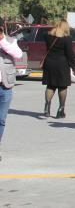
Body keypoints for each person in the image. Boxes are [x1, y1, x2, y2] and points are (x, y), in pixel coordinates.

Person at [42, 19, 75, 119]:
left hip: (49, 63)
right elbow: (70, 54)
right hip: (62, 64)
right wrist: (73, 66)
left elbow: (47, 32)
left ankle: (47, 107)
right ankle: (61, 110)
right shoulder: (67, 39)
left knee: (50, 85)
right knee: (62, 86)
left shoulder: (47, 36)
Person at [0, 24, 23, 161]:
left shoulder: (10, 41)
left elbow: (18, 54)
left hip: (5, 86)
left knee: (1, 120)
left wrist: (2, 41)